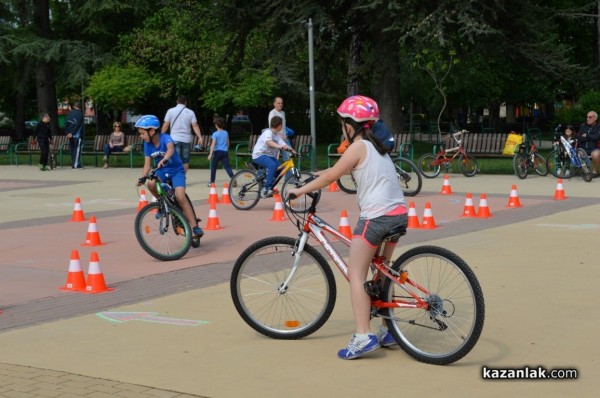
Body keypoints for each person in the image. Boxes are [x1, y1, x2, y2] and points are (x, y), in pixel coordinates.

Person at [287, 95, 408, 360]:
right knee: (383, 274)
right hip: (398, 214)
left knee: (356, 275)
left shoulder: (358, 146)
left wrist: (298, 192)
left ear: (350, 124)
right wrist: (311, 178)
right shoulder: (376, 147)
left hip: (376, 219)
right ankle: (389, 328)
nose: (342, 127)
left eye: (343, 123)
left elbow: (332, 176)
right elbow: (333, 170)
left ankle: (363, 336)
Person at [135, 115, 204, 239]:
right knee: (150, 183)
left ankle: (195, 227)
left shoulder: (165, 138)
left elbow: (171, 149)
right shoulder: (147, 145)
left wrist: (165, 159)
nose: (141, 136)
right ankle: (162, 204)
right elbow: (147, 163)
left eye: (142, 133)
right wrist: (142, 177)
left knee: (180, 197)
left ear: (151, 131)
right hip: (161, 171)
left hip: (177, 171)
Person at [252, 116, 293, 198]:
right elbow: (269, 142)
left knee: (280, 168)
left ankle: (268, 181)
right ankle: (267, 188)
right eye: (281, 125)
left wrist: (294, 151)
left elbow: (284, 144)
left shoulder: (276, 135)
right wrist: (279, 146)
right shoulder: (268, 132)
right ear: (279, 125)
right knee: (272, 165)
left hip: (269, 156)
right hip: (259, 154)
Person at [161, 95, 203, 172]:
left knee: (175, 159)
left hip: (174, 139)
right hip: (186, 139)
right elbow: (195, 125)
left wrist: (161, 135)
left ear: (177, 101)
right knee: (185, 160)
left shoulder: (170, 111)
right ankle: (183, 178)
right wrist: (199, 136)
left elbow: (166, 124)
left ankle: (177, 178)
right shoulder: (190, 112)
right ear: (185, 102)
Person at [207, 116, 235, 187]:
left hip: (217, 152)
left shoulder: (215, 134)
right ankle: (233, 178)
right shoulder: (225, 133)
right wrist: (226, 149)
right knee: (227, 166)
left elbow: (213, 144)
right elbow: (228, 142)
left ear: (216, 125)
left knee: (214, 167)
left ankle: (212, 182)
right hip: (225, 152)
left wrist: (210, 154)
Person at [578, 111, 600, 177]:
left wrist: (587, 135)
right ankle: (586, 171)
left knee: (595, 155)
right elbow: (579, 137)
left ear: (595, 118)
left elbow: (596, 137)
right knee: (578, 154)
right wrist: (590, 137)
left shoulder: (599, 127)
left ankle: (594, 172)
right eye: (587, 117)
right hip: (583, 147)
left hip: (595, 147)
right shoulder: (583, 126)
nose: (587, 118)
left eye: (590, 117)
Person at [65, 102, 84, 169]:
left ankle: (74, 163)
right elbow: (78, 125)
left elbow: (66, 123)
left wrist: (68, 133)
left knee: (72, 149)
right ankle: (75, 164)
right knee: (77, 149)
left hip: (70, 135)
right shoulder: (80, 114)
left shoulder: (70, 113)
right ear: (80, 107)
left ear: (74, 106)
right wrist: (72, 133)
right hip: (76, 135)